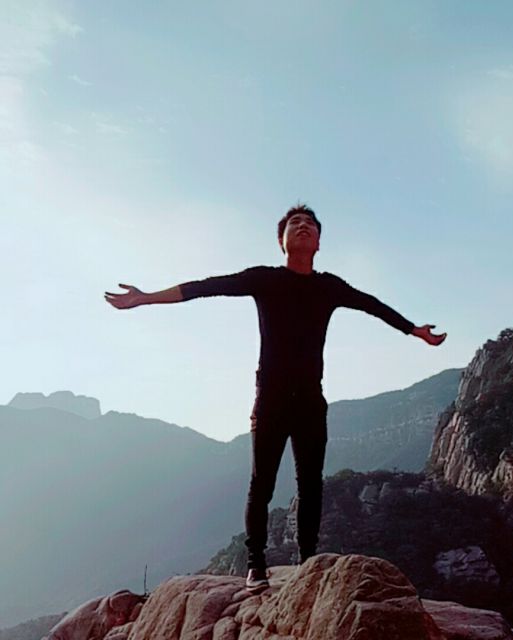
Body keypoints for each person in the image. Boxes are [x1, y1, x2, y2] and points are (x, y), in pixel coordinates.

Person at [104, 204, 447, 593]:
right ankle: (256, 565)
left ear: (318, 242)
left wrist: (414, 330)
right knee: (262, 483)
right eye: (295, 223)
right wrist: (146, 298)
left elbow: (373, 305)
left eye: (310, 224)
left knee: (311, 484)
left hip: (310, 401)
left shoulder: (328, 287)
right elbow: (206, 286)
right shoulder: (265, 279)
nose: (303, 227)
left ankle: (308, 563)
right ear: (281, 241)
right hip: (271, 400)